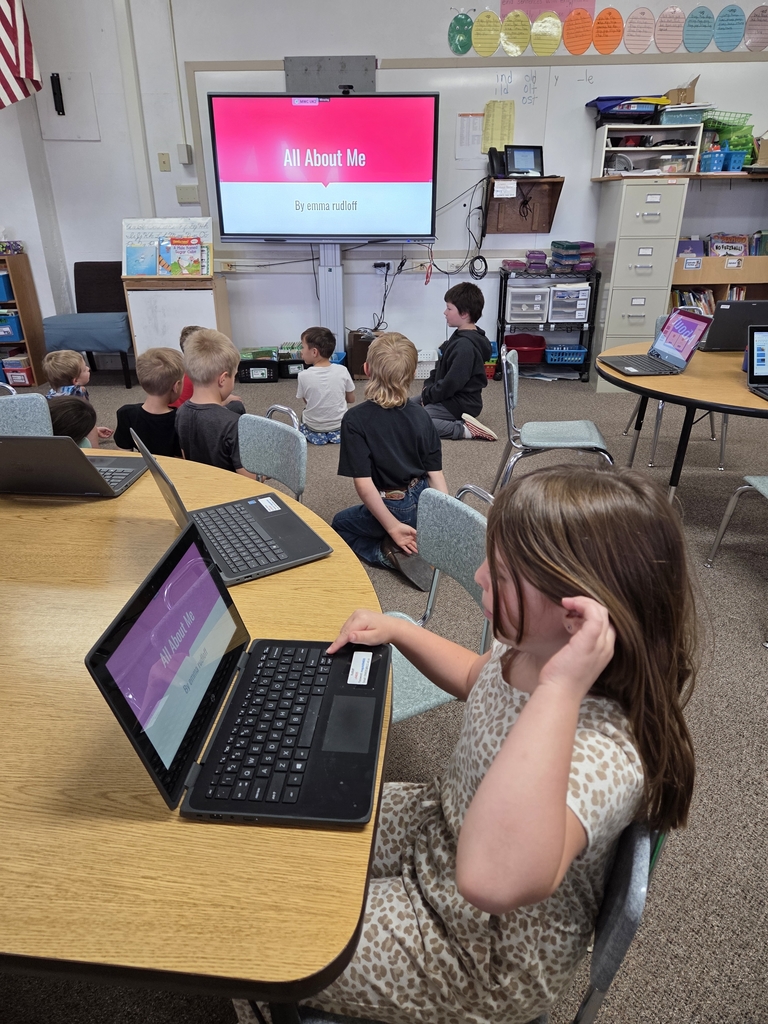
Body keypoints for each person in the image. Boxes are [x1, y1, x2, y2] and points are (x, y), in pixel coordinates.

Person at [307, 465, 697, 1024]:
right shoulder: (526, 652)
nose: (480, 574)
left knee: (289, 934)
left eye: (505, 573)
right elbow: (476, 678)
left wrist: (561, 690)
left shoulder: (605, 755)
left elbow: (489, 877)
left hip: (476, 948)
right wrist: (399, 631)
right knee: (302, 809)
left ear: (578, 617)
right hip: (439, 827)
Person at [331, 332, 448, 590]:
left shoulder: (355, 420)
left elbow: (364, 485)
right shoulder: (422, 415)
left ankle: (386, 553)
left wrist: (393, 527)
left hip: (395, 505)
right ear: (412, 373)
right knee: (409, 520)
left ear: (366, 369)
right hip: (423, 500)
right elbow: (436, 474)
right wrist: (441, 520)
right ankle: (419, 541)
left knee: (339, 525)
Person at [414, 281, 496, 441]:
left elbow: (452, 383)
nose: (445, 312)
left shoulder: (465, 346)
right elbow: (439, 369)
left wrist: (429, 395)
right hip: (446, 396)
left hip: (461, 403)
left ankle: (465, 430)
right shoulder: (460, 335)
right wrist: (428, 389)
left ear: (464, 313)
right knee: (404, 407)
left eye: (449, 308)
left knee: (416, 422)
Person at [174, 328, 256, 478]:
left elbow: (186, 458)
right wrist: (266, 470)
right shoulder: (233, 423)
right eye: (234, 376)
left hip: (204, 488)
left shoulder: (181, 412)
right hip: (231, 495)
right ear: (223, 379)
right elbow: (250, 478)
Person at [296, 325, 355, 444]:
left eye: (302, 347)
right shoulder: (343, 370)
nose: (301, 352)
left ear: (314, 352)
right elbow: (351, 399)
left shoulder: (303, 375)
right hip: (340, 426)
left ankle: (318, 435)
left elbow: (307, 401)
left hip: (314, 427)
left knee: (303, 414)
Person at [42, 349, 113, 448]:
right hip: (76, 440)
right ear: (75, 381)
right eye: (84, 369)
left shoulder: (50, 395)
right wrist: (93, 433)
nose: (88, 369)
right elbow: (86, 420)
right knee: (89, 418)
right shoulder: (79, 392)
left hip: (57, 438)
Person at [170, 324, 244, 410]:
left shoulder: (185, 371)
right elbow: (205, 405)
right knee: (237, 406)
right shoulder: (198, 376)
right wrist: (226, 401)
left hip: (184, 410)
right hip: (195, 411)